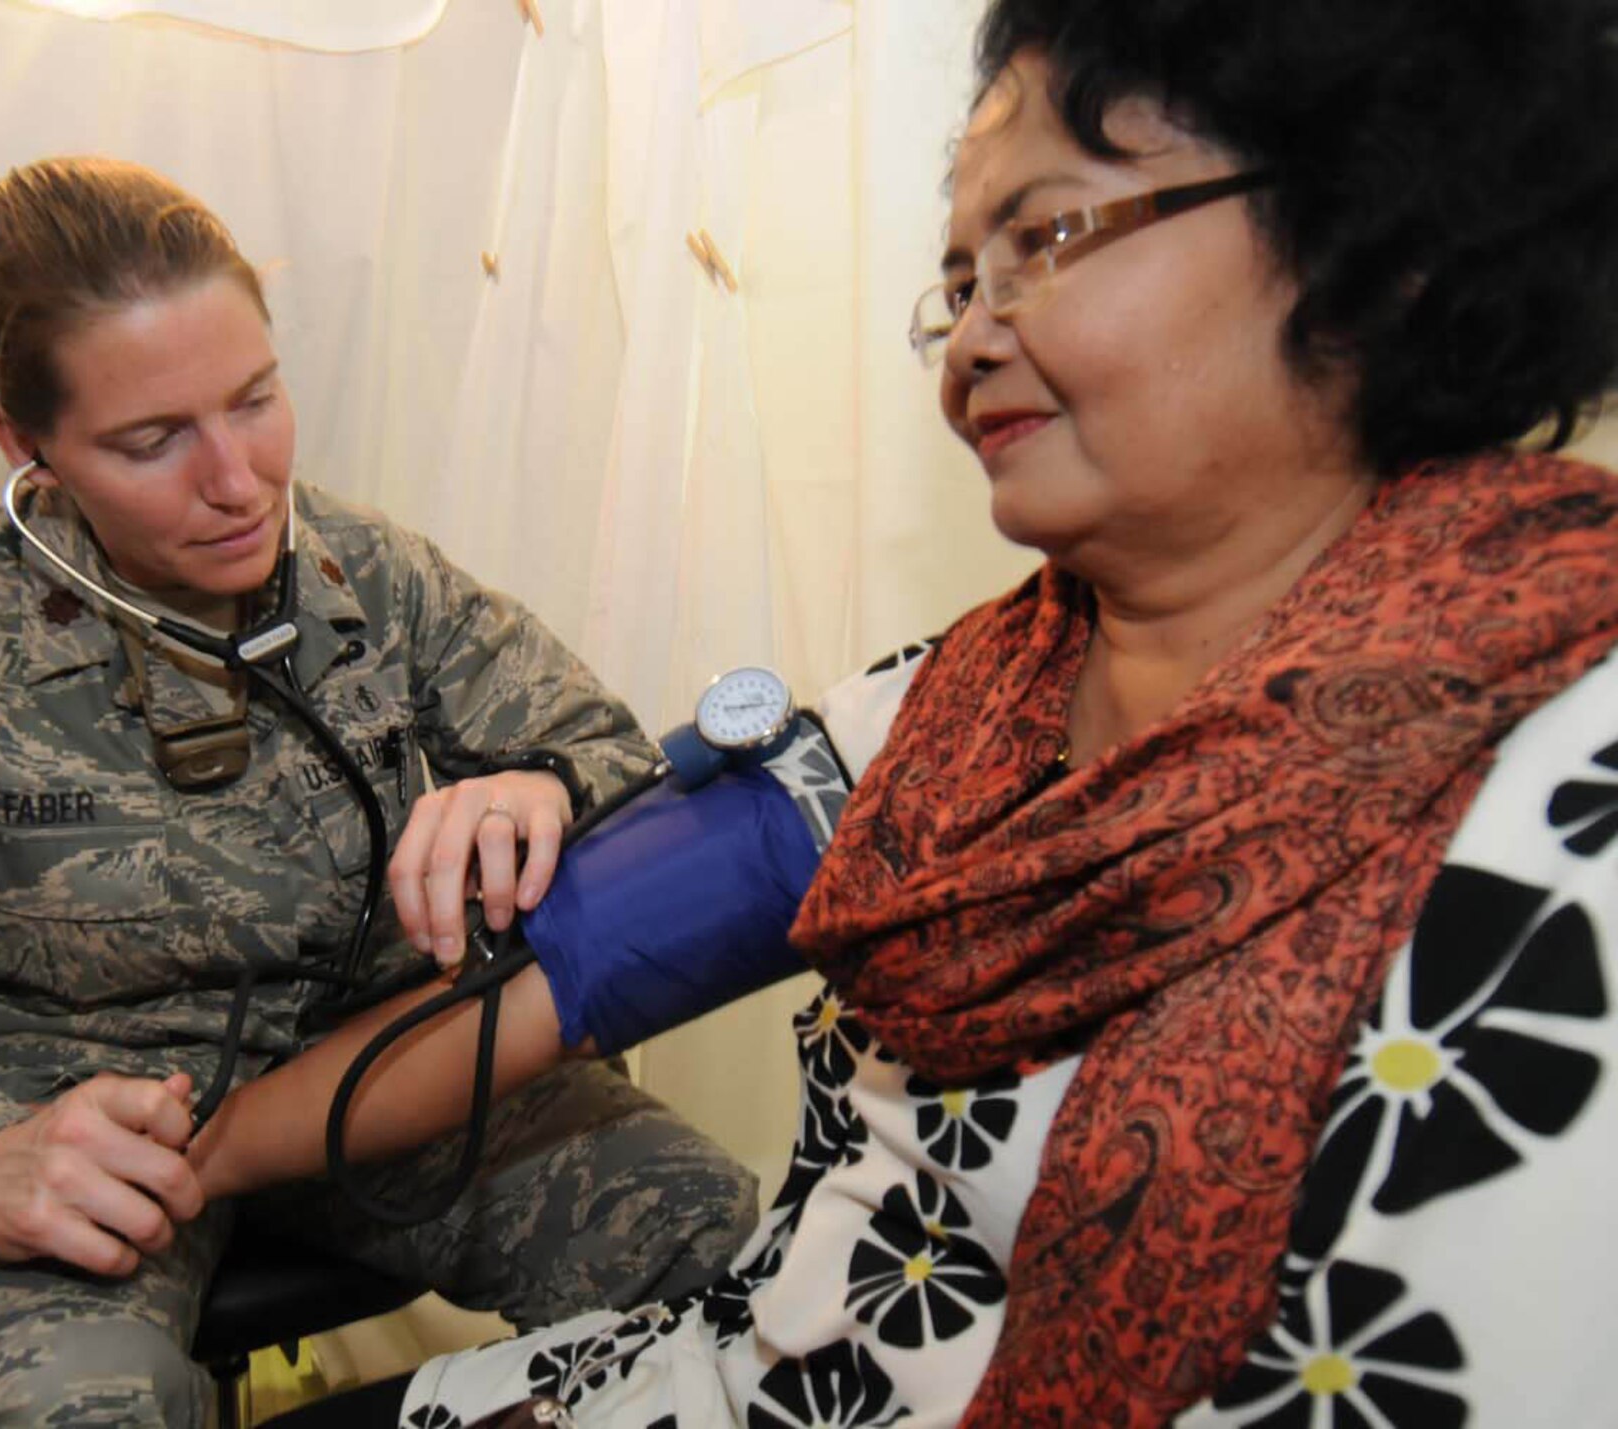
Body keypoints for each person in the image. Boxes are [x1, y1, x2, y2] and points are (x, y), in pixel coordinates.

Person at [264, 0, 1618, 1424]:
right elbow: (581, 964)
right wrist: (189, 1153)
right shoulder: (947, 707)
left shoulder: (1566, 785)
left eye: (1044, 240)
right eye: (959, 285)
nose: (971, 341)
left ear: (1373, 241)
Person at [0, 156, 757, 1426]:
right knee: (67, 1411)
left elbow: (594, 748)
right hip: (75, 1132)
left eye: (256, 399)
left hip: (377, 1077)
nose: (238, 481)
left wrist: (536, 790)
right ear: (26, 445)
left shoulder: (367, 572)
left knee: (710, 1242)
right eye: (151, 440)